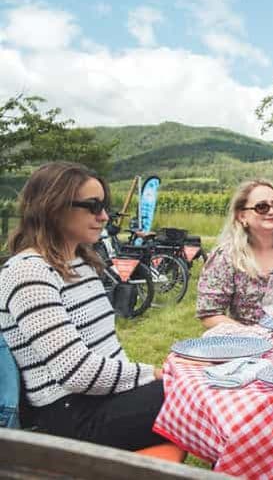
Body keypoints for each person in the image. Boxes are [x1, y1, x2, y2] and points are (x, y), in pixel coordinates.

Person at [0, 162, 166, 450]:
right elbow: (76, 372)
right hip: (68, 417)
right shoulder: (28, 272)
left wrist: (144, 381)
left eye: (104, 205)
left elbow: (105, 349)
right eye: (92, 205)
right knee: (196, 396)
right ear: (53, 207)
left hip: (102, 399)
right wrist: (150, 374)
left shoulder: (80, 263)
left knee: (203, 389)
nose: (103, 216)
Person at [196, 179, 273, 328]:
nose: (272, 212)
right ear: (242, 216)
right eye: (262, 207)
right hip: (246, 344)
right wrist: (251, 335)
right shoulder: (226, 256)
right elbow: (210, 313)